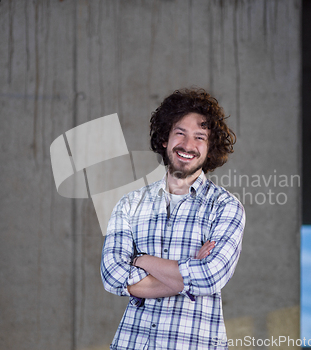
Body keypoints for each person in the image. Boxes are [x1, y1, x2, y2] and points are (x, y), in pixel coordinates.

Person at [100, 87, 245, 349]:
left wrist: (141, 261)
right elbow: (112, 275)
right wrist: (189, 273)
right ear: (165, 138)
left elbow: (210, 278)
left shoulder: (225, 207)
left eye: (200, 137)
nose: (188, 145)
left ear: (210, 148)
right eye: (180, 133)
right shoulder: (130, 204)